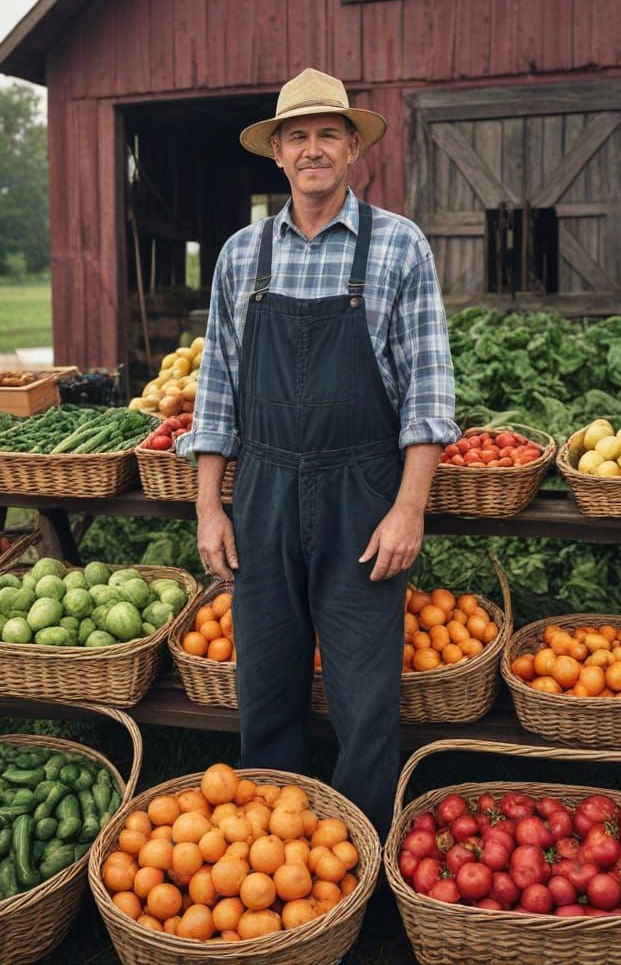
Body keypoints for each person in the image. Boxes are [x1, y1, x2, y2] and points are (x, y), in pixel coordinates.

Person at [178, 68, 459, 838]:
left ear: (352, 148)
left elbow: (429, 393)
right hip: (263, 488)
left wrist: (408, 509)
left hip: (362, 492)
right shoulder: (242, 255)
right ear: (276, 152)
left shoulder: (399, 245)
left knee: (366, 694)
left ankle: (360, 849)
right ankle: (266, 852)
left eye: (328, 134)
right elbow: (217, 391)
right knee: (266, 681)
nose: (312, 149)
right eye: (297, 136)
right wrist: (209, 508)